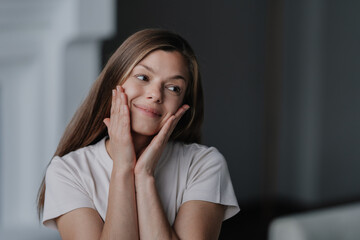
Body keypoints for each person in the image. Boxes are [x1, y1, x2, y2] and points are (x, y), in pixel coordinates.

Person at [37, 29, 239, 240]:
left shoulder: (204, 164)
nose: (155, 95)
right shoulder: (69, 171)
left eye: (173, 88)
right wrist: (123, 168)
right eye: (143, 77)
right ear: (114, 80)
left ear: (183, 103)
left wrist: (144, 175)